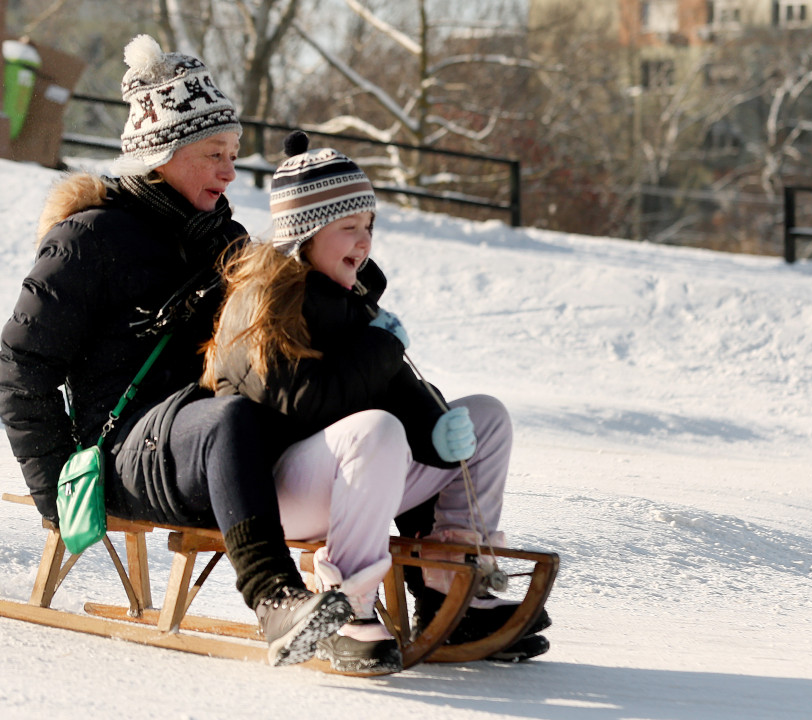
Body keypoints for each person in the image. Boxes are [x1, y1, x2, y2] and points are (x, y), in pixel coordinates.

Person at [0, 36, 352, 668]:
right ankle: (275, 600)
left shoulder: (228, 242)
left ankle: (438, 590)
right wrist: (57, 488)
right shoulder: (88, 239)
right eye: (214, 154)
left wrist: (338, 277)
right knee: (231, 418)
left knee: (352, 411)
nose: (229, 171)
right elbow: (24, 367)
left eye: (234, 155)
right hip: (128, 449)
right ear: (161, 154)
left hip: (210, 444)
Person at [200, 131, 550, 675]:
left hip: (355, 474)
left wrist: (435, 426)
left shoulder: (353, 301)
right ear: (305, 233)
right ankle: (348, 605)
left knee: (485, 417)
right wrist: (380, 346)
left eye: (368, 228)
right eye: (348, 229)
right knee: (377, 430)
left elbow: (394, 391)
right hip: (278, 488)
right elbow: (306, 402)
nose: (363, 244)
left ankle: (450, 583)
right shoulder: (259, 303)